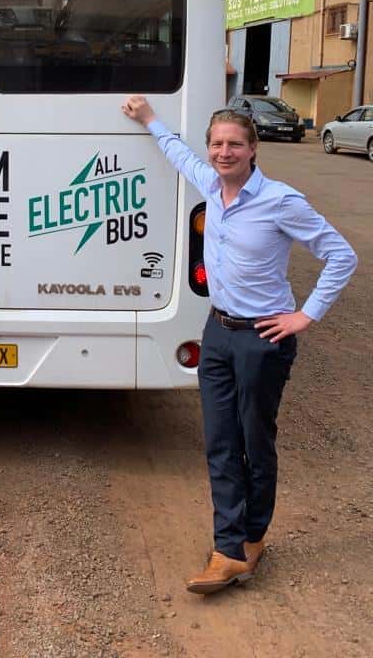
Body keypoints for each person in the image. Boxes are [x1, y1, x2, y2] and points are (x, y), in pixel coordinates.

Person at [121, 97, 357, 594]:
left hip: (262, 341)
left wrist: (305, 315)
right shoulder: (210, 184)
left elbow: (341, 254)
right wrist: (149, 120)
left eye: (234, 144)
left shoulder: (280, 200)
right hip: (218, 333)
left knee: (254, 441)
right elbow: (177, 154)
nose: (223, 152)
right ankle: (228, 548)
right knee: (220, 443)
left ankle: (252, 536)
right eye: (216, 144)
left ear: (253, 149)